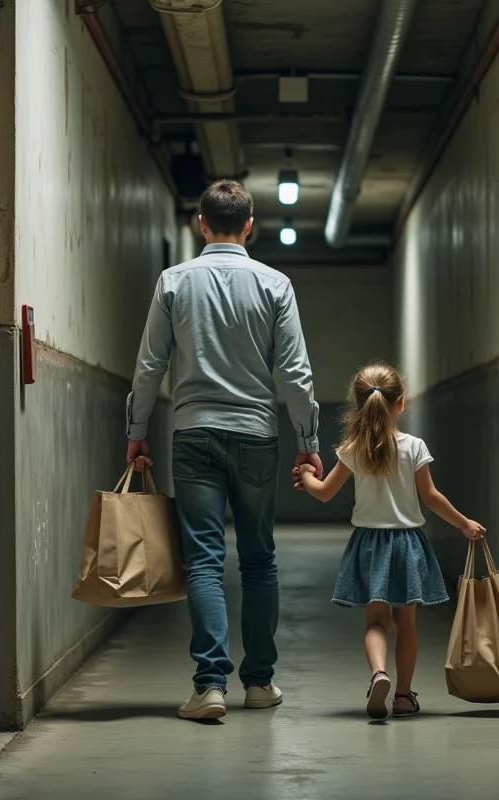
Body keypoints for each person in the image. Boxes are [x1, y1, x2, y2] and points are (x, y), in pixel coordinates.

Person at [124, 180, 322, 721]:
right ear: (250, 225)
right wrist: (308, 442)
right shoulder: (275, 285)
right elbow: (296, 373)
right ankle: (258, 683)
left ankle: (210, 686)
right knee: (259, 559)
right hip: (258, 435)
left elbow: (149, 365)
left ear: (202, 224)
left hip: (193, 434)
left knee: (204, 561)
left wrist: (137, 428)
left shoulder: (174, 281)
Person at [292, 362, 486, 719]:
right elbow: (431, 498)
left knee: (375, 622)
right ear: (401, 403)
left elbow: (324, 493)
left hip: (369, 545)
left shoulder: (353, 448)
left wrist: (305, 474)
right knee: (405, 624)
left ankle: (378, 673)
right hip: (407, 544)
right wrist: (464, 524)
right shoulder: (414, 447)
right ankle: (403, 696)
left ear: (358, 404)